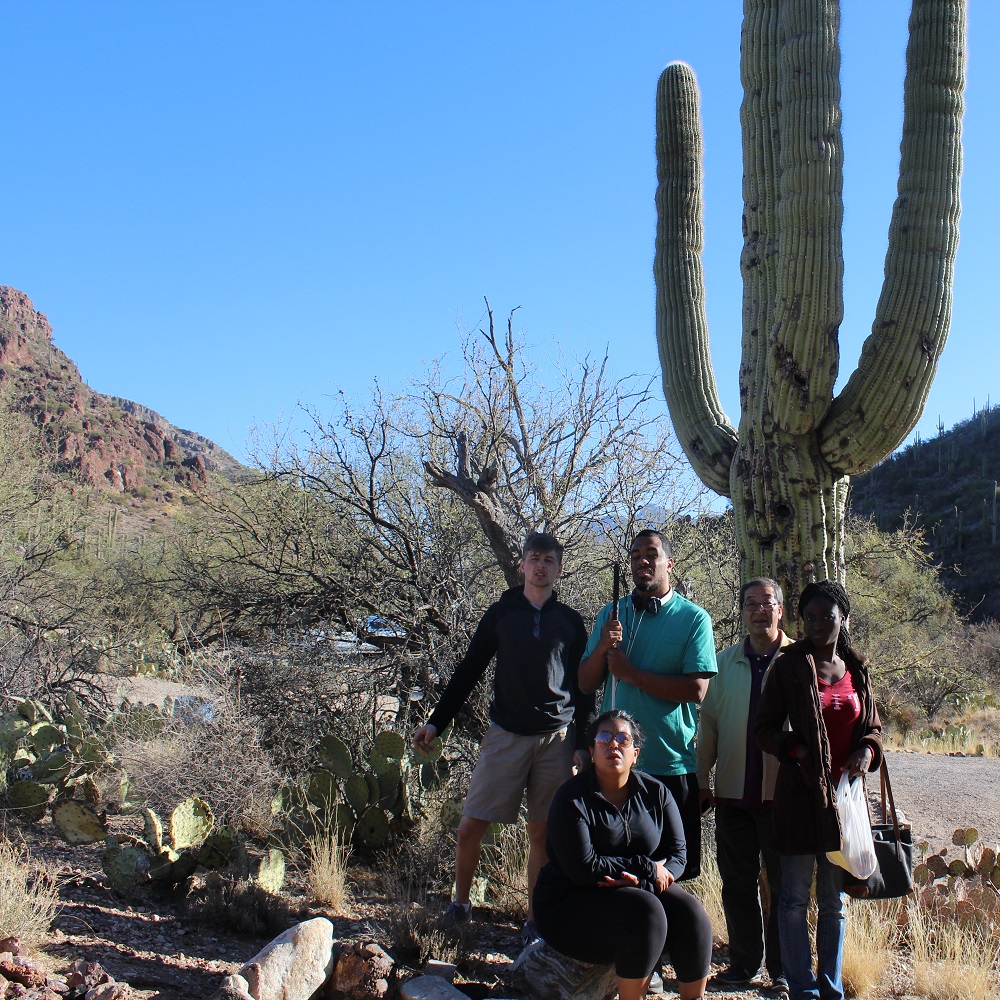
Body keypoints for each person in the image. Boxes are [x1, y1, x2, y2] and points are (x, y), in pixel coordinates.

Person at [412, 532, 593, 946]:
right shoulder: (502, 613)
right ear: (523, 565)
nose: (540, 566)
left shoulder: (570, 621)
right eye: (534, 559)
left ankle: (535, 920)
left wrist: (582, 742)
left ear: (558, 568)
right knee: (470, 824)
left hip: (556, 738)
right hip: (505, 734)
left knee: (542, 833)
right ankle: (460, 905)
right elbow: (469, 669)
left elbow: (584, 689)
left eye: (549, 560)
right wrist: (436, 722)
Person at [754, 581, 883, 1000]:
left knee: (833, 901)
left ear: (842, 617)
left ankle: (830, 987)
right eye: (808, 617)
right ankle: (801, 989)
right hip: (799, 797)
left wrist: (868, 751)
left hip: (842, 803)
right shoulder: (790, 666)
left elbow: (874, 730)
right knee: (792, 899)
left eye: (825, 616)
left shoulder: (856, 669)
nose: (816, 624)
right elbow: (764, 729)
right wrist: (795, 747)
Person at [533, 710, 713, 1000]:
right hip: (570, 904)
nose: (613, 745)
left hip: (639, 890)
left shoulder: (656, 793)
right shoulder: (571, 798)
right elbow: (584, 868)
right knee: (645, 910)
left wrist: (646, 880)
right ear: (591, 752)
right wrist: (646, 869)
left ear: (635, 754)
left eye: (622, 739)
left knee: (691, 912)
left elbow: (679, 854)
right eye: (604, 738)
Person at [579, 529, 716, 878]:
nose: (643, 560)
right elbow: (585, 682)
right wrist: (601, 650)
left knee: (671, 874)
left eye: (651, 554)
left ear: (669, 563)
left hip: (669, 764)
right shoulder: (611, 613)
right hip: (614, 766)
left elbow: (697, 690)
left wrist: (631, 672)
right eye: (636, 554)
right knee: (612, 869)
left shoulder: (695, 618)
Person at [698, 578, 791, 994]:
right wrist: (702, 780)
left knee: (785, 885)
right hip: (733, 795)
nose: (759, 610)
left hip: (784, 798)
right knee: (736, 882)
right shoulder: (724, 663)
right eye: (750, 603)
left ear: (780, 610)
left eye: (766, 603)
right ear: (742, 612)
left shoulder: (799, 661)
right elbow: (709, 729)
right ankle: (743, 964)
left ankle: (785, 968)